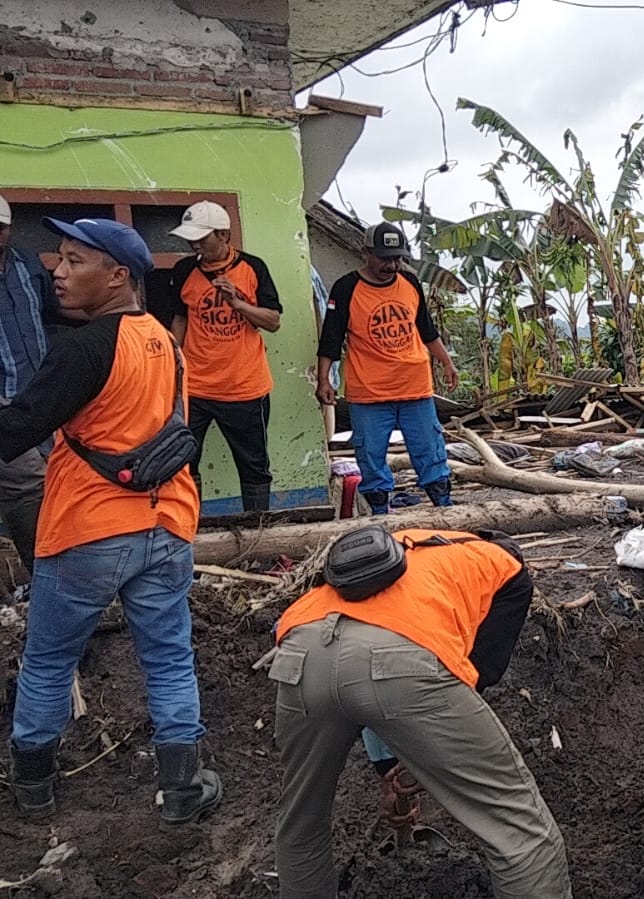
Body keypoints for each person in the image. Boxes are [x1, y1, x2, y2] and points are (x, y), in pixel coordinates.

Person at [2, 218, 221, 824]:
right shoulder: (164, 343)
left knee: (49, 659)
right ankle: (182, 790)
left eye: (75, 261)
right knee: (171, 659)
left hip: (88, 529)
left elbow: (17, 429)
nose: (58, 271)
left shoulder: (84, 348)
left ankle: (35, 788)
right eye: (60, 259)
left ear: (118, 275)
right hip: (167, 522)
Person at [268, 525, 571, 898]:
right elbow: (476, 673)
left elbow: (352, 673)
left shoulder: (411, 543)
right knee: (520, 830)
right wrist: (418, 761)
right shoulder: (507, 569)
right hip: (401, 661)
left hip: (302, 647)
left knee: (302, 822)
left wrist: (392, 767)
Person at [315, 223, 459, 514]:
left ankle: (445, 507)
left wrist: (446, 362)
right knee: (370, 455)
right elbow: (330, 338)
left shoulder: (409, 282)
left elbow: (426, 329)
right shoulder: (346, 288)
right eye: (384, 258)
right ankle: (380, 514)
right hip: (369, 392)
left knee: (430, 449)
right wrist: (324, 380)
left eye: (396, 259)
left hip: (415, 386)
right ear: (366, 253)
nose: (391, 265)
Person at [166, 201, 282, 512]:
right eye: (191, 239)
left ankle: (260, 529)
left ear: (224, 235)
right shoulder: (184, 270)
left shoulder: (253, 268)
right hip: (195, 387)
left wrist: (238, 303)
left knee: (254, 465)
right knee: (183, 461)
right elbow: (180, 318)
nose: (195, 245)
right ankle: (191, 527)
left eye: (202, 238)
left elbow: (272, 321)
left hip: (244, 387)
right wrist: (171, 362)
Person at [0, 193, 56, 572]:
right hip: (4, 406)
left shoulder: (27, 264)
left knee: (56, 485)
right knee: (28, 488)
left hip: (42, 401)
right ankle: (43, 577)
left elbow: (53, 313)